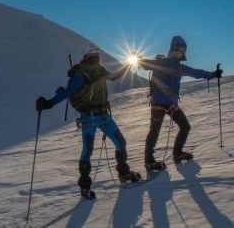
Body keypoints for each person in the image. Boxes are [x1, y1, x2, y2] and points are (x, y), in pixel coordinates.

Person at [36, 46, 141, 199]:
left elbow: (114, 76)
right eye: (92, 56)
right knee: (89, 151)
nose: (95, 59)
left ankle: (123, 173)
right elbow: (67, 92)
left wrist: (129, 63)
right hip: (90, 117)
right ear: (86, 58)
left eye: (97, 56)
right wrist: (49, 104)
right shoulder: (81, 74)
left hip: (102, 115)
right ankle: (85, 186)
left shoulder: (99, 70)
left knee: (120, 143)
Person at [138, 36, 222, 171]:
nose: (180, 51)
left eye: (182, 50)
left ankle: (177, 154)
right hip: (158, 104)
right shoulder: (163, 62)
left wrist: (212, 74)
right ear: (172, 49)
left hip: (172, 104)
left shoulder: (180, 67)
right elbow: (147, 64)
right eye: (178, 49)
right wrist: (140, 61)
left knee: (185, 127)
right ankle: (149, 161)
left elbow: (196, 72)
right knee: (154, 132)